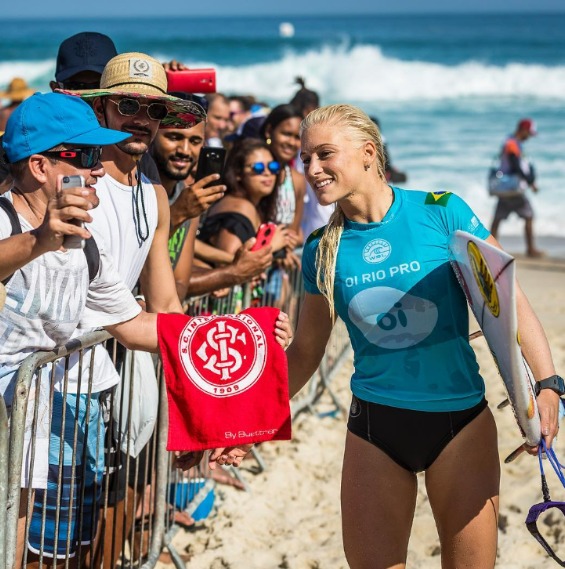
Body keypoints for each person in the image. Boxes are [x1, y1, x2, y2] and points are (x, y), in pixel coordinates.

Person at [286, 104, 560, 569]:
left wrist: (547, 382)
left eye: (324, 154)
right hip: (375, 429)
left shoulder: (441, 210)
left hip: (460, 424)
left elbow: (507, 301)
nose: (311, 169)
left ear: (368, 153)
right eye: (305, 158)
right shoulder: (321, 250)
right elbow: (305, 352)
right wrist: (247, 425)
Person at [0, 91, 162, 567]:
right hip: (10, 411)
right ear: (39, 166)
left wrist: (232, 333)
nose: (98, 168)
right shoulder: (7, 217)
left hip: (31, 418)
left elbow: (134, 326)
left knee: (14, 537)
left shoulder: (83, 244)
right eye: (87, 155)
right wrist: (39, 240)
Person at [149, 106, 273, 299]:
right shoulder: (139, 190)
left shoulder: (187, 195)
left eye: (195, 141)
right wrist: (233, 271)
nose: (184, 150)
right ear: (153, 135)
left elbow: (180, 280)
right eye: (174, 137)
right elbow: (132, 261)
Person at [490, 118, 542, 258]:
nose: (529, 137)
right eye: (529, 133)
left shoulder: (511, 142)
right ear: (523, 130)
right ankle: (530, 249)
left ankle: (490, 247)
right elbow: (515, 165)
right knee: (529, 215)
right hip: (513, 189)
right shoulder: (512, 144)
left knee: (498, 218)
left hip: (505, 189)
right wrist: (529, 181)